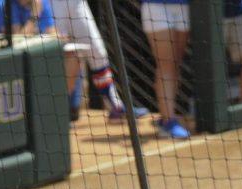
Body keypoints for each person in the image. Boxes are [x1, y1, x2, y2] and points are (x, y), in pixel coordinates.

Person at [50, 0, 146, 123]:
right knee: (59, 53)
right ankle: (57, 114)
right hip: (52, 4)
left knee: (97, 52)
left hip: (76, 3)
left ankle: (116, 107)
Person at [0, 0, 79, 98]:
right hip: (4, 61)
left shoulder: (41, 2)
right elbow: (17, 41)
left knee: (72, 55)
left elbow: (51, 31)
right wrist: (34, 15)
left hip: (33, 56)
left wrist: (60, 37)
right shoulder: (2, 5)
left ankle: (61, 103)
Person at [141, 0, 191, 140]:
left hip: (184, 5)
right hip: (156, 7)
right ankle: (168, 122)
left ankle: (166, 117)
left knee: (175, 64)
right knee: (166, 65)